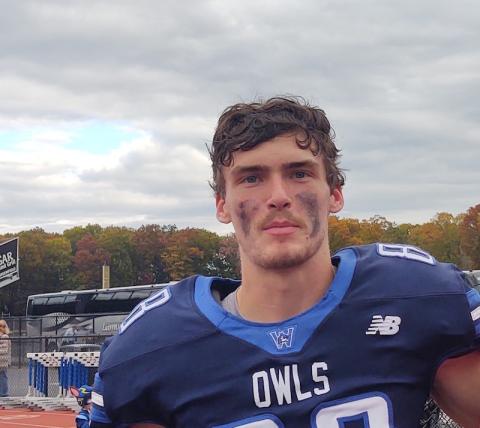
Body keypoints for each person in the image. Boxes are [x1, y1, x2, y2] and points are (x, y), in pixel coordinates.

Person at [90, 97, 480, 427]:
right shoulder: (151, 347)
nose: (278, 196)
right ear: (222, 204)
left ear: (335, 194)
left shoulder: (415, 297)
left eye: (298, 173)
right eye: (251, 178)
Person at [0, 319, 11, 397]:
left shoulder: (4, 337)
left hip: (3, 361)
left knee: (3, 376)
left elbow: (4, 350)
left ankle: (4, 393)